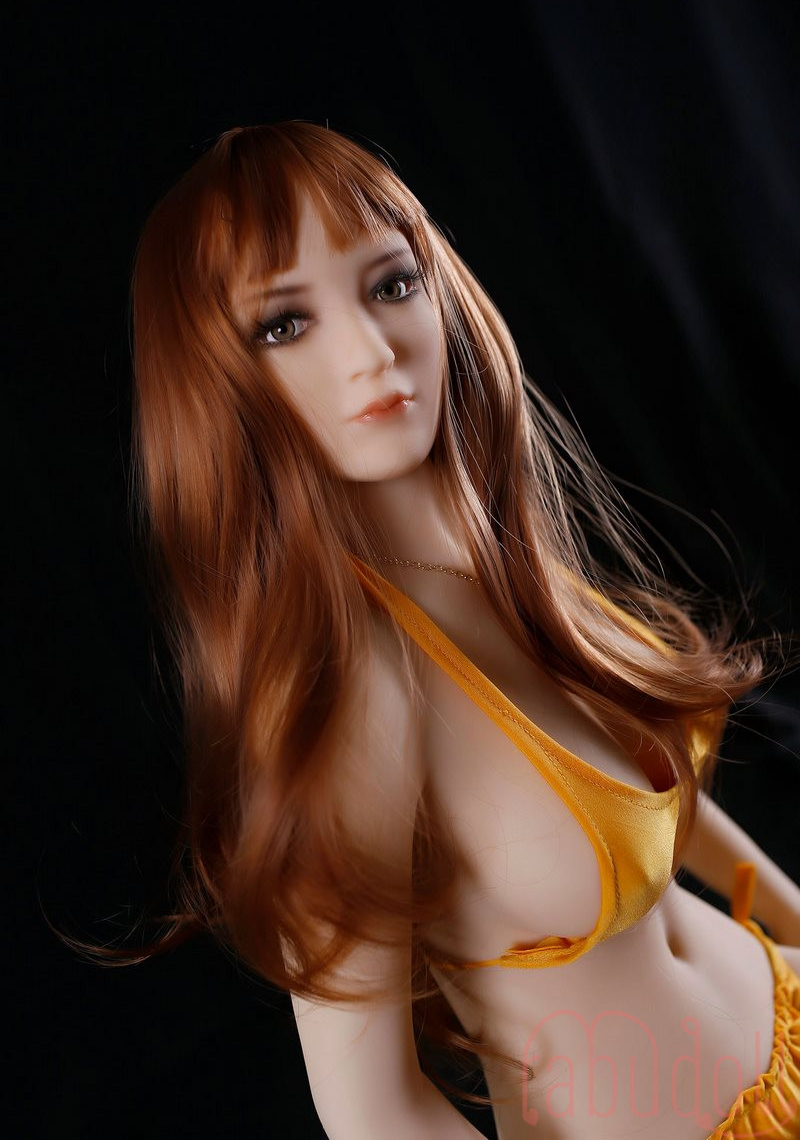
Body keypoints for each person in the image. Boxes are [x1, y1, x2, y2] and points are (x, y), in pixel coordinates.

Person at [58, 121, 800, 1138]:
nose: (373, 353)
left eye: (392, 284)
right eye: (284, 323)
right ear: (211, 378)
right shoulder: (350, 692)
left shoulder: (497, 570)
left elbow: (653, 789)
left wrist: (789, 915)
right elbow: (374, 1115)